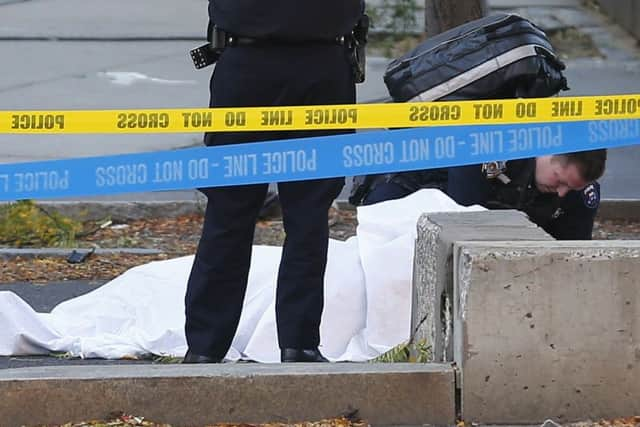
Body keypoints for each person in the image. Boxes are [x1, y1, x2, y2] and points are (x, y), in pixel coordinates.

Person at [183, 0, 365, 364]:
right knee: (307, 217)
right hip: (319, 65)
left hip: (252, 64)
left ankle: (206, 347)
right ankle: (299, 345)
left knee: (231, 213)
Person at [354, 150, 607, 240]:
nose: (562, 192)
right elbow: (460, 225)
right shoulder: (493, 152)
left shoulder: (581, 192)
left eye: (570, 188)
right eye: (559, 180)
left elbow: (573, 255)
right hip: (408, 201)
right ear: (547, 150)